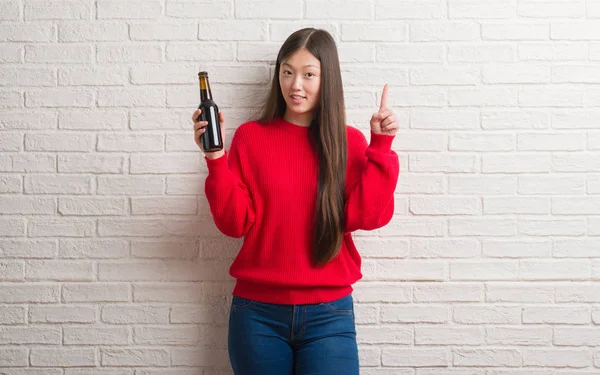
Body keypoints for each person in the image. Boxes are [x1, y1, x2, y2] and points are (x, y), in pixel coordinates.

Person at [191, 28, 399, 375]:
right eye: (287, 72)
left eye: (308, 74)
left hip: (329, 314)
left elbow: (370, 215)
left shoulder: (347, 141)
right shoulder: (251, 137)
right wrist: (215, 158)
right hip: (257, 314)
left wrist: (381, 146)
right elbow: (233, 224)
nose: (295, 85)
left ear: (326, 78)